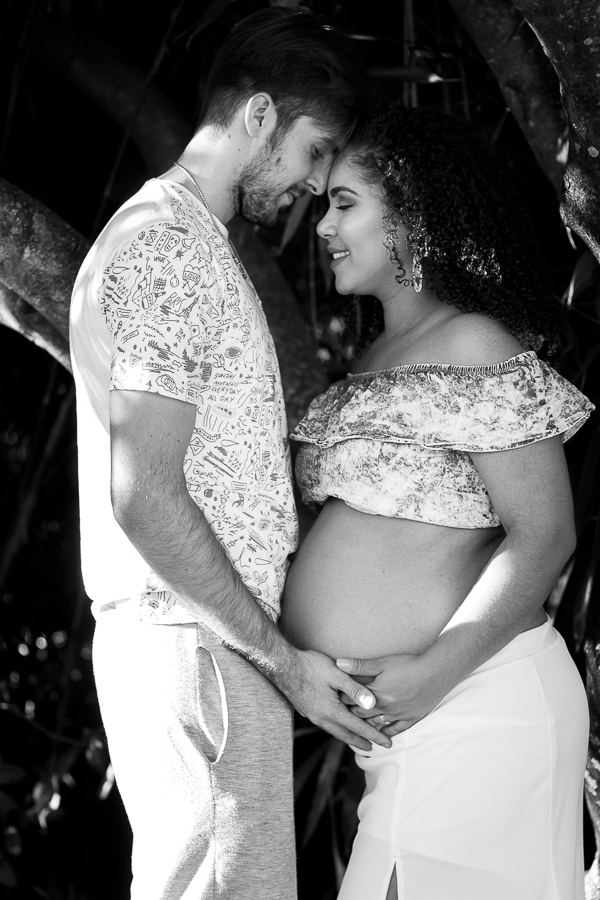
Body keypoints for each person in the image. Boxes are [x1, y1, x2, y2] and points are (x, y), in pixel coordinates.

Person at [69, 10, 391, 900]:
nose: (314, 184)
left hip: (206, 650)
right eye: (312, 149)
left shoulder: (189, 243)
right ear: (258, 115)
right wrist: (282, 660)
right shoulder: (164, 248)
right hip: (200, 649)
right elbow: (144, 496)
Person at [282, 101, 593, 900]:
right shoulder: (378, 353)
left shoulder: (473, 344)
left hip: (479, 703)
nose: (323, 227)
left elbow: (546, 533)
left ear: (412, 214)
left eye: (345, 203)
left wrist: (433, 674)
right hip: (407, 733)